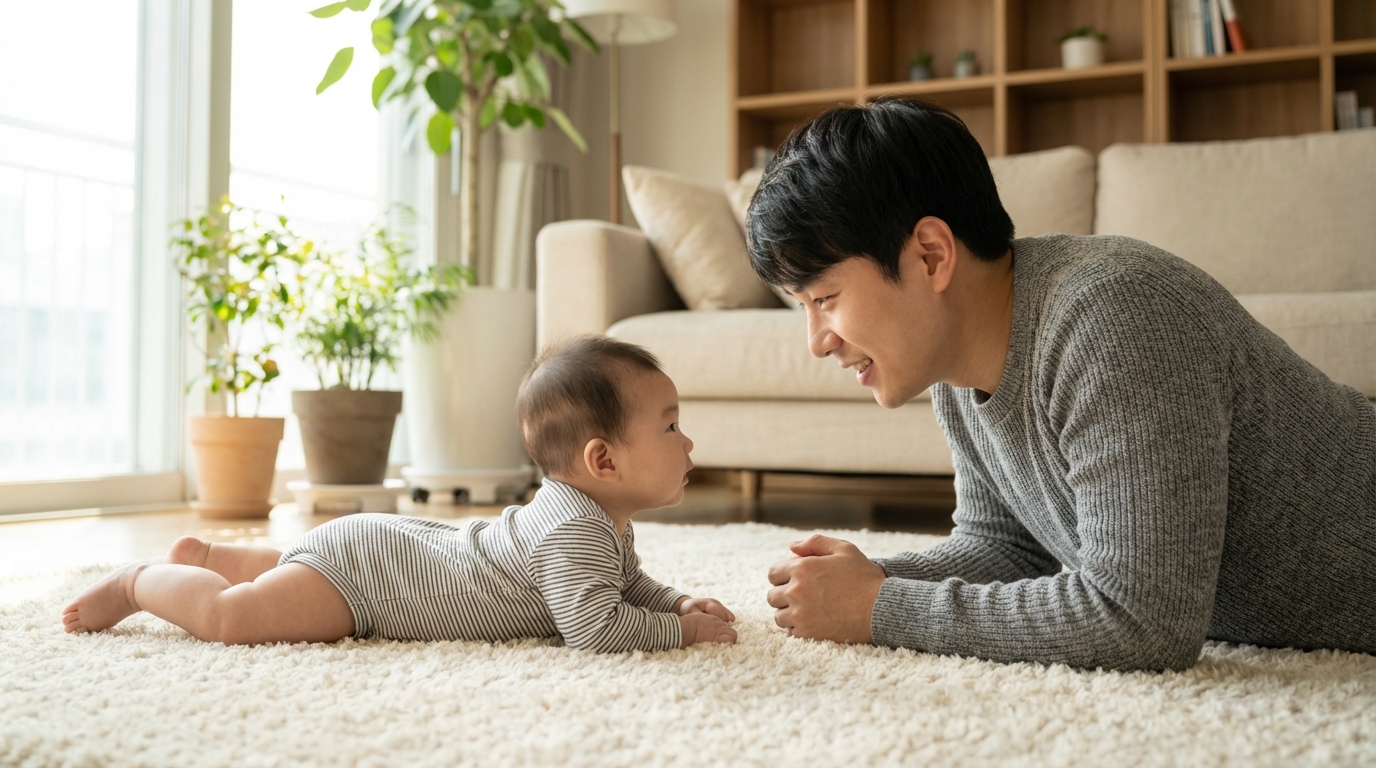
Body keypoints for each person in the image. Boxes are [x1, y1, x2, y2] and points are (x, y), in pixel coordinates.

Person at [747, 97, 1376, 671]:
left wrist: (879, 609)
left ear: (932, 256)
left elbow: (1142, 621)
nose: (817, 340)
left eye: (825, 297)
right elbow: (1008, 549)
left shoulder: (1116, 317)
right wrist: (865, 583)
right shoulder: (956, 366)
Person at [62, 336, 738, 652]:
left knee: (294, 576)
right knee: (234, 621)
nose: (688, 443)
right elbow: (596, 627)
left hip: (377, 552)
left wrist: (672, 598)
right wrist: (680, 631)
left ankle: (214, 557)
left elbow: (623, 585)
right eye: (671, 426)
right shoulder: (573, 530)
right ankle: (142, 583)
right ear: (603, 460)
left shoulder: (596, 520)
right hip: (368, 583)